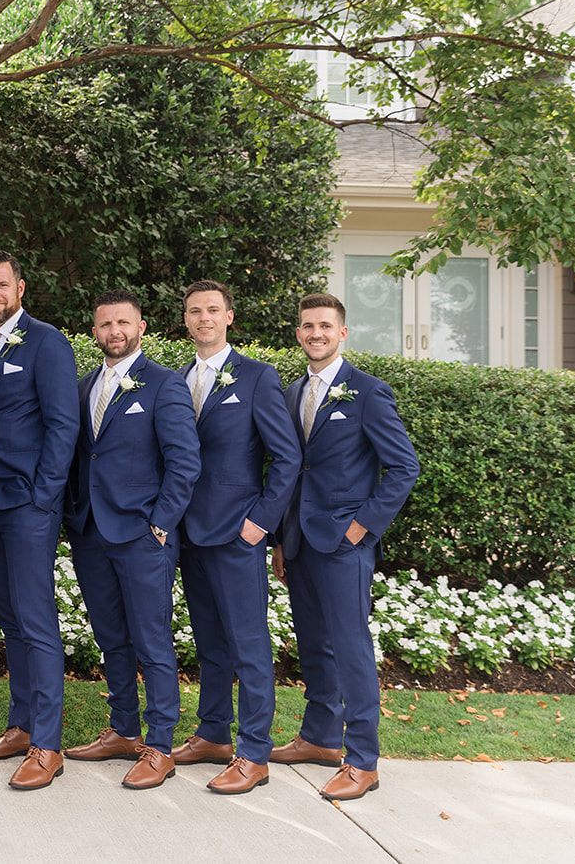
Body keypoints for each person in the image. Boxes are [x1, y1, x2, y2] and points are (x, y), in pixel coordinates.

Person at [272, 293, 419, 801]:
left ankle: (363, 760)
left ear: (342, 334)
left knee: (351, 648)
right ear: (298, 333)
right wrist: (280, 541)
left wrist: (362, 529)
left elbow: (403, 467)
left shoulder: (368, 392)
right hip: (299, 541)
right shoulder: (292, 393)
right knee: (313, 644)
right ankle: (318, 738)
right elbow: (292, 471)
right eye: (307, 325)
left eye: (325, 326)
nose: (316, 333)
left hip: (343, 543)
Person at [64, 288, 200, 790]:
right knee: (111, 638)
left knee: (152, 639)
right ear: (94, 331)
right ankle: (123, 729)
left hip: (144, 535)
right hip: (91, 532)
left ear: (140, 327)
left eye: (123, 322)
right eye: (104, 324)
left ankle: (159, 743)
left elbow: (185, 462)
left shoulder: (164, 385)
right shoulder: (82, 387)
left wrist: (160, 524)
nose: (113, 332)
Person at [171, 281, 301, 794]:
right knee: (209, 642)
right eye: (194, 311)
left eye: (212, 310)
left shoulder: (257, 377)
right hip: (190, 533)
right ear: (185, 320)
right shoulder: (178, 379)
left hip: (237, 533)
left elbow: (287, 458)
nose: (203, 318)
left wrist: (260, 524)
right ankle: (212, 734)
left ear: (229, 317)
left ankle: (253, 752)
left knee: (249, 645)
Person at [0, 250, 80, 791]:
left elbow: (62, 426)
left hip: (27, 505)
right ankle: (21, 724)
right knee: (11, 622)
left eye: (1, 285)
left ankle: (47, 744)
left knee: (36, 620)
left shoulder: (47, 342)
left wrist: (43, 497)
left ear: (20, 287)